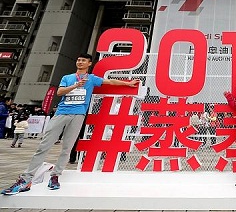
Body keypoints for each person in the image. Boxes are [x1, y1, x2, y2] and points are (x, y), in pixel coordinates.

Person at [1, 53, 140, 195]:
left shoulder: (91, 79)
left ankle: (55, 175)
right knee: (44, 146)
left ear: (89, 64)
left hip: (78, 115)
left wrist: (127, 83)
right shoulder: (67, 78)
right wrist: (75, 85)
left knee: (67, 148)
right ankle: (26, 179)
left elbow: (109, 82)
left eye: (83, 60)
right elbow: (60, 92)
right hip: (61, 113)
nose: (80, 62)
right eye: (78, 60)